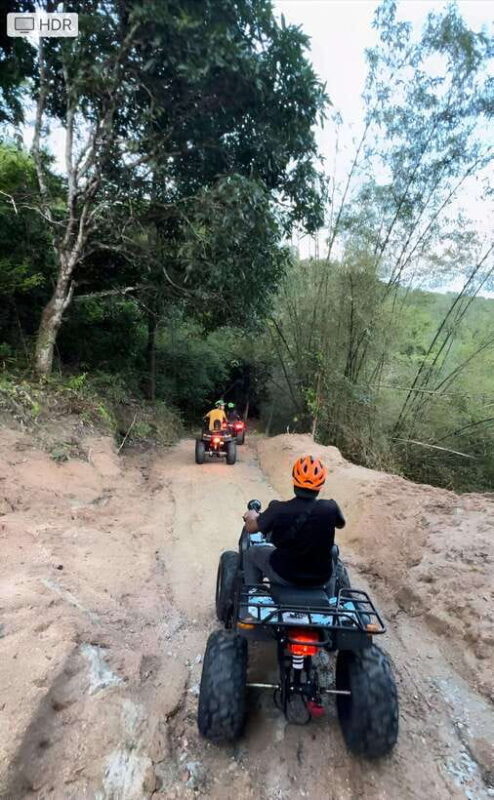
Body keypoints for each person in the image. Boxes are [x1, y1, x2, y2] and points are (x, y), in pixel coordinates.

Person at [242, 455, 345, 588]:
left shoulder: (277, 509)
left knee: (252, 553)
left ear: (294, 481)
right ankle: (330, 598)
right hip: (320, 579)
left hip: (285, 576)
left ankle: (254, 593)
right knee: (331, 553)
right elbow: (340, 524)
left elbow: (251, 528)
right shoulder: (330, 507)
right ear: (320, 484)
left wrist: (251, 515)